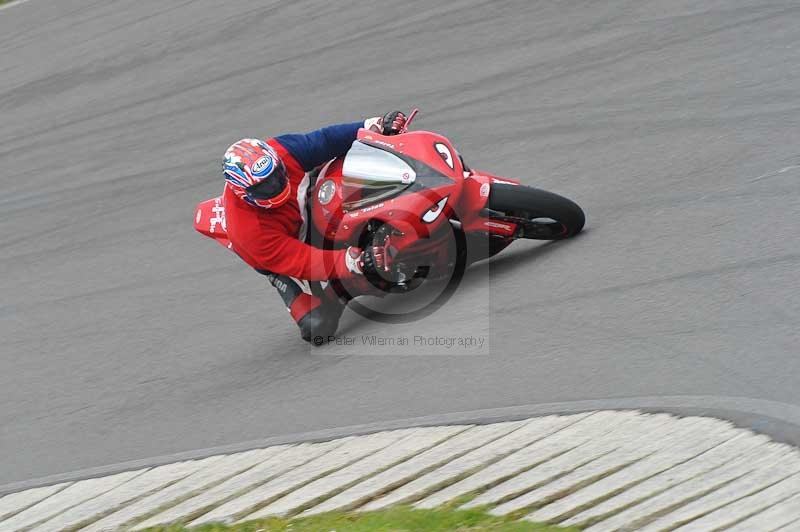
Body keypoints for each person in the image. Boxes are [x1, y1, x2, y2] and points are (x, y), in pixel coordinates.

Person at [222, 111, 407, 343]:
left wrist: (373, 126)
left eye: (277, 175)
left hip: (307, 201)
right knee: (318, 327)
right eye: (265, 186)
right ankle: (338, 291)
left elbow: (324, 141)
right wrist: (355, 261)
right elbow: (304, 260)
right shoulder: (250, 233)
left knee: (350, 165)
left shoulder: (282, 150)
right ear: (244, 194)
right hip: (290, 248)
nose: (276, 184)